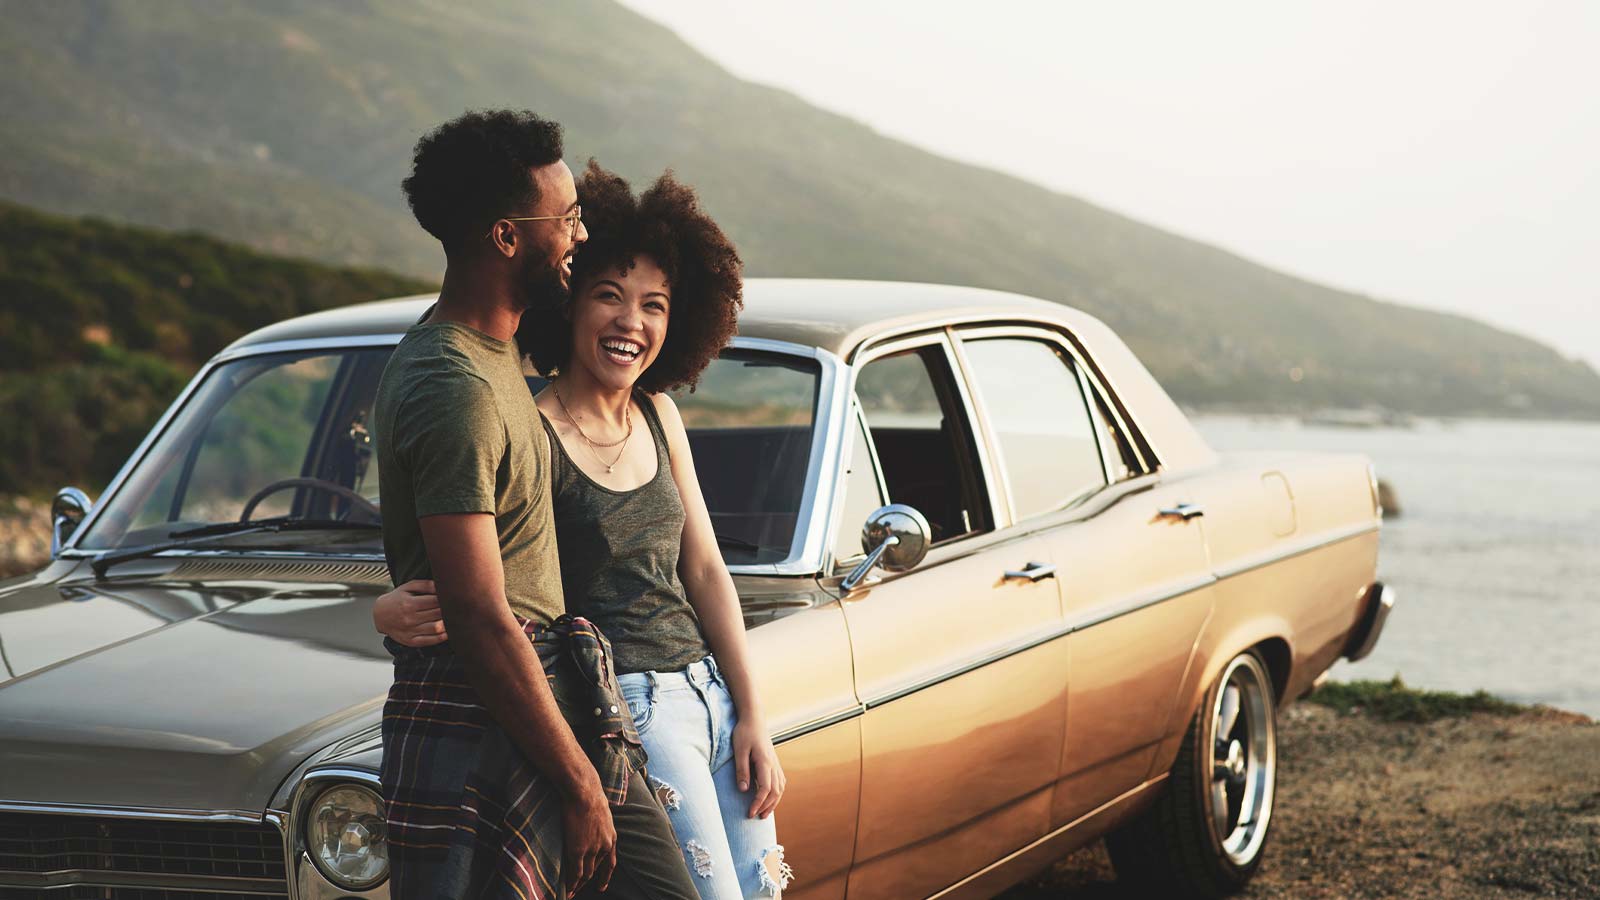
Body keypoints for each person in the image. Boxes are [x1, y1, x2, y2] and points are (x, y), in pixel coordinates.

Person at [376, 161, 792, 899]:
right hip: (626, 705)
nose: (632, 322)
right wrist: (386, 610)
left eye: (655, 305)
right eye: (609, 296)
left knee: (760, 890)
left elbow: (704, 572)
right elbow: (479, 577)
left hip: (708, 692)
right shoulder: (527, 422)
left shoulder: (660, 415)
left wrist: (751, 712)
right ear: (569, 305)